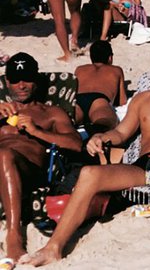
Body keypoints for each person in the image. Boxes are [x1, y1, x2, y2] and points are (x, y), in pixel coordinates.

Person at [22, 38, 150, 267]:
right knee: (89, 174)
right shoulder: (142, 99)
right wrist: (101, 137)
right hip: (143, 166)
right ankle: (53, 248)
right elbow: (122, 132)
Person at [0, 53, 82, 263]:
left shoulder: (52, 113)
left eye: (27, 79)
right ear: (7, 82)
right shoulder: (2, 110)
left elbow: (76, 144)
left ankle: (14, 236)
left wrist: (37, 132)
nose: (21, 85)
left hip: (27, 171)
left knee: (4, 155)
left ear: (36, 79)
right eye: (15, 80)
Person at [73, 40, 124, 136]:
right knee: (106, 123)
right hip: (99, 100)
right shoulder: (116, 70)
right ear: (110, 58)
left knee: (69, 121)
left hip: (79, 99)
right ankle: (92, 134)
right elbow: (122, 102)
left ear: (91, 57)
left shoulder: (79, 69)